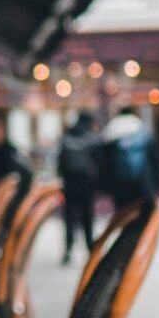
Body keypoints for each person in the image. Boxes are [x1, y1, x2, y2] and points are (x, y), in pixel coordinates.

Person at [57, 111, 101, 261]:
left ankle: (68, 248)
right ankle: (90, 247)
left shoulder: (67, 136)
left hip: (69, 184)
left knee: (69, 217)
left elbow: (60, 162)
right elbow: (99, 162)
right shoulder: (91, 138)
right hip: (86, 185)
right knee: (87, 216)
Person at [99, 105, 159, 210]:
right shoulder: (142, 131)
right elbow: (155, 160)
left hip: (119, 184)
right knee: (142, 213)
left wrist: (105, 186)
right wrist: (156, 183)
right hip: (143, 183)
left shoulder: (110, 132)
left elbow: (103, 163)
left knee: (123, 214)